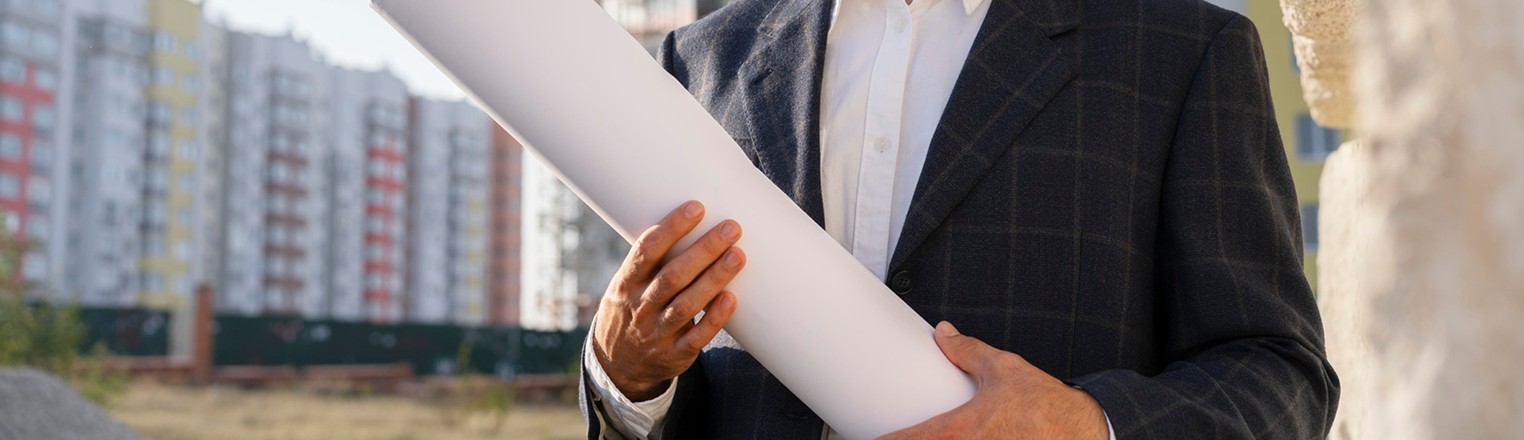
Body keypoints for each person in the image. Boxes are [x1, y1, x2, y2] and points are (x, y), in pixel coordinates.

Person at [580, 0, 1340, 437]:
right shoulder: (701, 59)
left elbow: (1281, 374)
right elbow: (674, 372)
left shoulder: (1182, 50)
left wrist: (1087, 424)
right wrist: (623, 378)